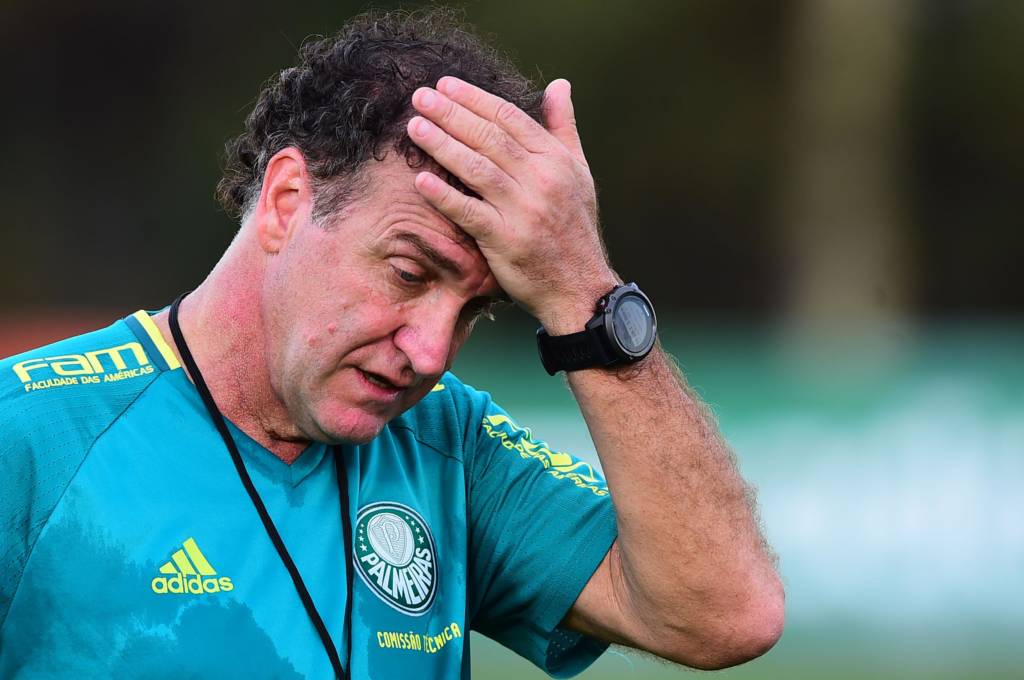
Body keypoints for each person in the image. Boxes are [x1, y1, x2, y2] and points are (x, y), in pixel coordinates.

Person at [0, 8, 783, 678]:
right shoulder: (29, 439)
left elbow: (725, 614)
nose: (434, 352)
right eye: (410, 273)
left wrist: (583, 291)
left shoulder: (450, 446)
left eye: (477, 309)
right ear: (285, 201)